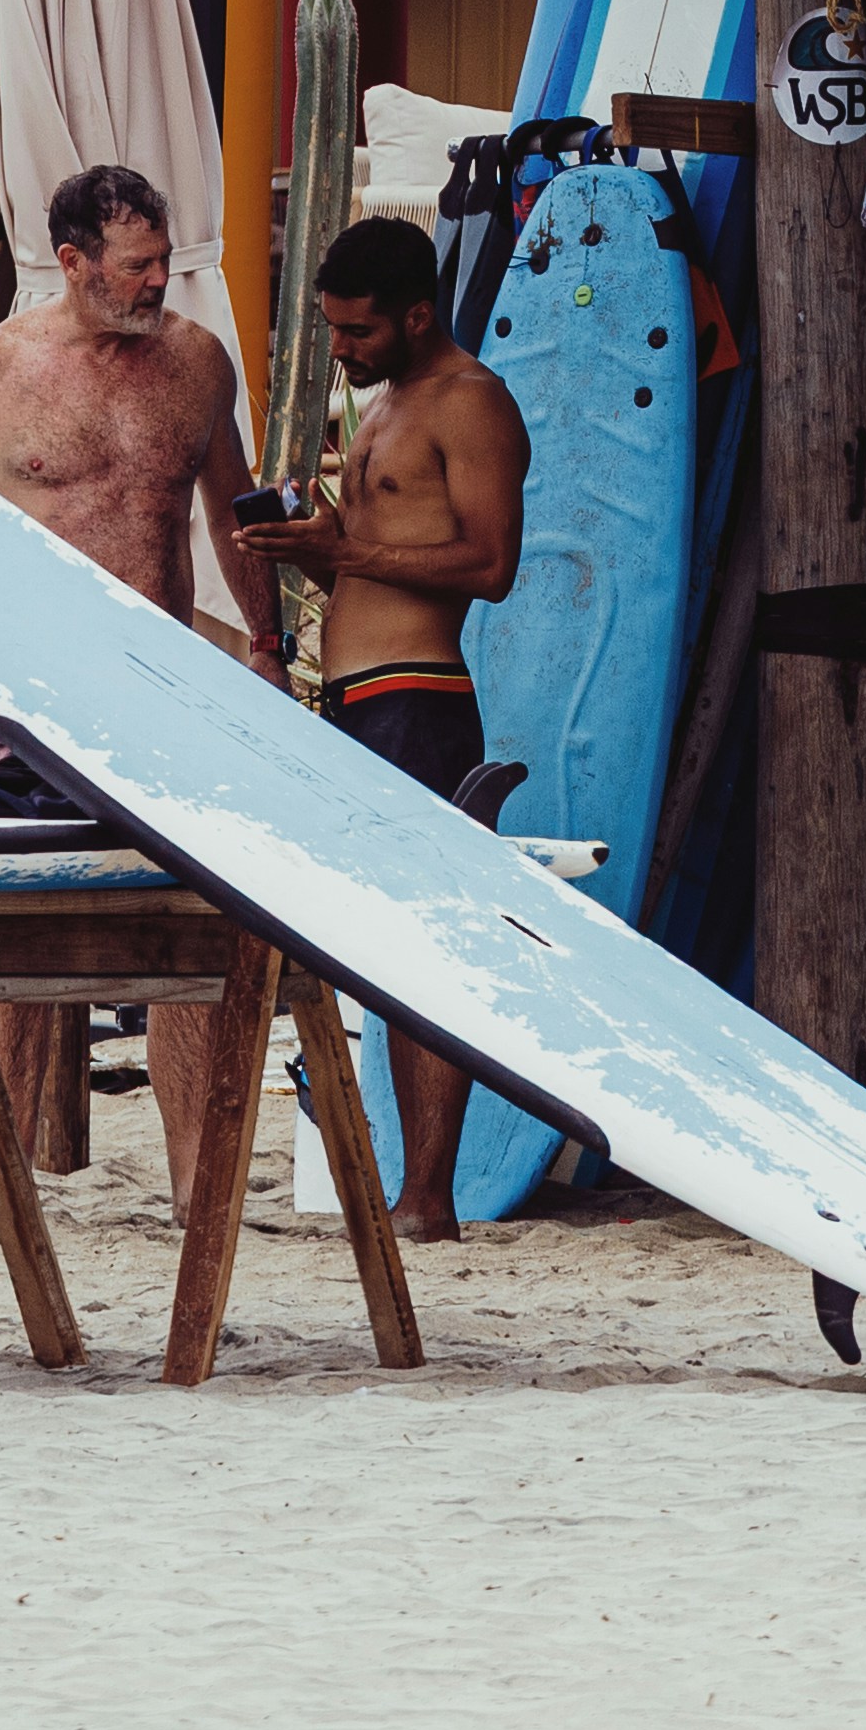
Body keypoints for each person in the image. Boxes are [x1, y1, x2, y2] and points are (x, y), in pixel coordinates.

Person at [229, 214, 528, 1235]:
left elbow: (491, 564)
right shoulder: (386, 405)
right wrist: (310, 545)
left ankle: (429, 1197)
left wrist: (350, 555)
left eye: (357, 332)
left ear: (415, 312)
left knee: (426, 950)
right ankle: (408, 1187)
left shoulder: (472, 402)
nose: (342, 351)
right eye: (331, 331)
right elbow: (368, 556)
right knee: (371, 950)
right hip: (354, 696)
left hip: (420, 698)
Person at [0, 161, 260, 766]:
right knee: (21, 853)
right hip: (25, 682)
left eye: (164, 258)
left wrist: (266, 644)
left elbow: (234, 517)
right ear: (73, 262)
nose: (161, 279)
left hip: (160, 682)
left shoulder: (198, 362)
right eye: (138, 266)